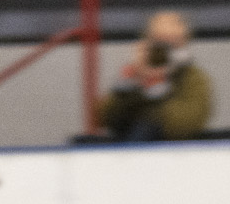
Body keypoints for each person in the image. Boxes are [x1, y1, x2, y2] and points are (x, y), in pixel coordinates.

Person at [90, 11, 214, 141]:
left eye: (172, 44)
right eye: (159, 44)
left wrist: (156, 87)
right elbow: (104, 118)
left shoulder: (194, 78)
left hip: (174, 151)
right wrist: (130, 84)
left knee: (146, 127)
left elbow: (185, 124)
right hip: (126, 148)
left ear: (184, 43)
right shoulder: (133, 76)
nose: (164, 52)